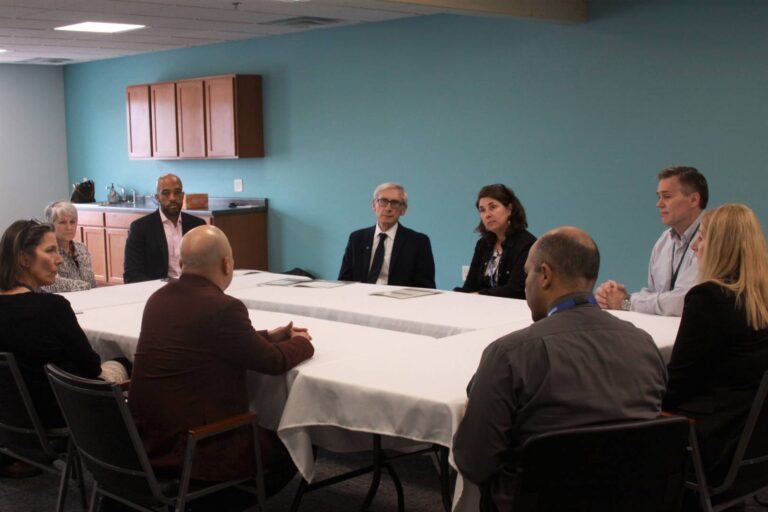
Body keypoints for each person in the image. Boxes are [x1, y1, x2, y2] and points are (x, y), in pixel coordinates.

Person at [453, 227, 667, 511]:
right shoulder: (644, 345)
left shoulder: (510, 354)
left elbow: (474, 463)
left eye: (527, 273)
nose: (525, 283)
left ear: (545, 275)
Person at [128, 225, 315, 491]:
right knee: (297, 441)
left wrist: (270, 336)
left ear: (181, 264)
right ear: (228, 264)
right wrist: (302, 343)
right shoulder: (224, 308)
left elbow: (210, 339)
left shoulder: (158, 299)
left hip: (148, 442)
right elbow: (272, 362)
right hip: (199, 451)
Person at [663, 204, 768, 489]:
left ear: (722, 246)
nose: (696, 247)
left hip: (709, 445)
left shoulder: (709, 299)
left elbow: (679, 384)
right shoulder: (759, 301)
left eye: (703, 237)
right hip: (753, 449)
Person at [0, 220, 127, 426]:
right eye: (50, 251)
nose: (59, 260)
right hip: (64, 416)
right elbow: (92, 369)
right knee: (123, 363)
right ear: (24, 258)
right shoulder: (52, 307)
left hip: (14, 423)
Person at [596, 166, 708, 316]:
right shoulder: (663, 241)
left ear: (693, 199)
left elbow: (685, 300)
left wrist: (626, 302)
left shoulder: (712, 239)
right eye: (658, 197)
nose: (659, 204)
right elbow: (654, 293)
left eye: (667, 196)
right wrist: (615, 296)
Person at [338, 182, 435, 288]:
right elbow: (344, 281)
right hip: (360, 299)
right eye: (383, 201)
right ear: (374, 205)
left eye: (395, 203)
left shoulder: (418, 242)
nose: (388, 208)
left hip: (399, 301)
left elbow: (426, 287)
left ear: (403, 210)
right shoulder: (357, 238)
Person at [454, 184, 536, 298]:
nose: (487, 215)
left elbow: (515, 290)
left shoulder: (527, 244)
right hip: (482, 308)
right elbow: (470, 286)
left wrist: (477, 295)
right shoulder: (483, 244)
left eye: (493, 207)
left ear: (509, 209)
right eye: (482, 210)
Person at [123, 173, 205, 283]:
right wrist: (162, 286)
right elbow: (131, 274)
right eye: (166, 193)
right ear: (157, 198)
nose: (172, 198)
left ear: (183, 195)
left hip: (192, 288)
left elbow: (208, 266)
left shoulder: (197, 226)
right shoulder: (140, 228)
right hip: (158, 291)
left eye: (177, 192)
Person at [40, 200, 96, 293]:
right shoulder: (46, 250)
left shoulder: (81, 248)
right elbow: (51, 284)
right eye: (62, 222)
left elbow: (91, 281)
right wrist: (86, 287)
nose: (69, 227)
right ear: (50, 225)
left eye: (72, 222)